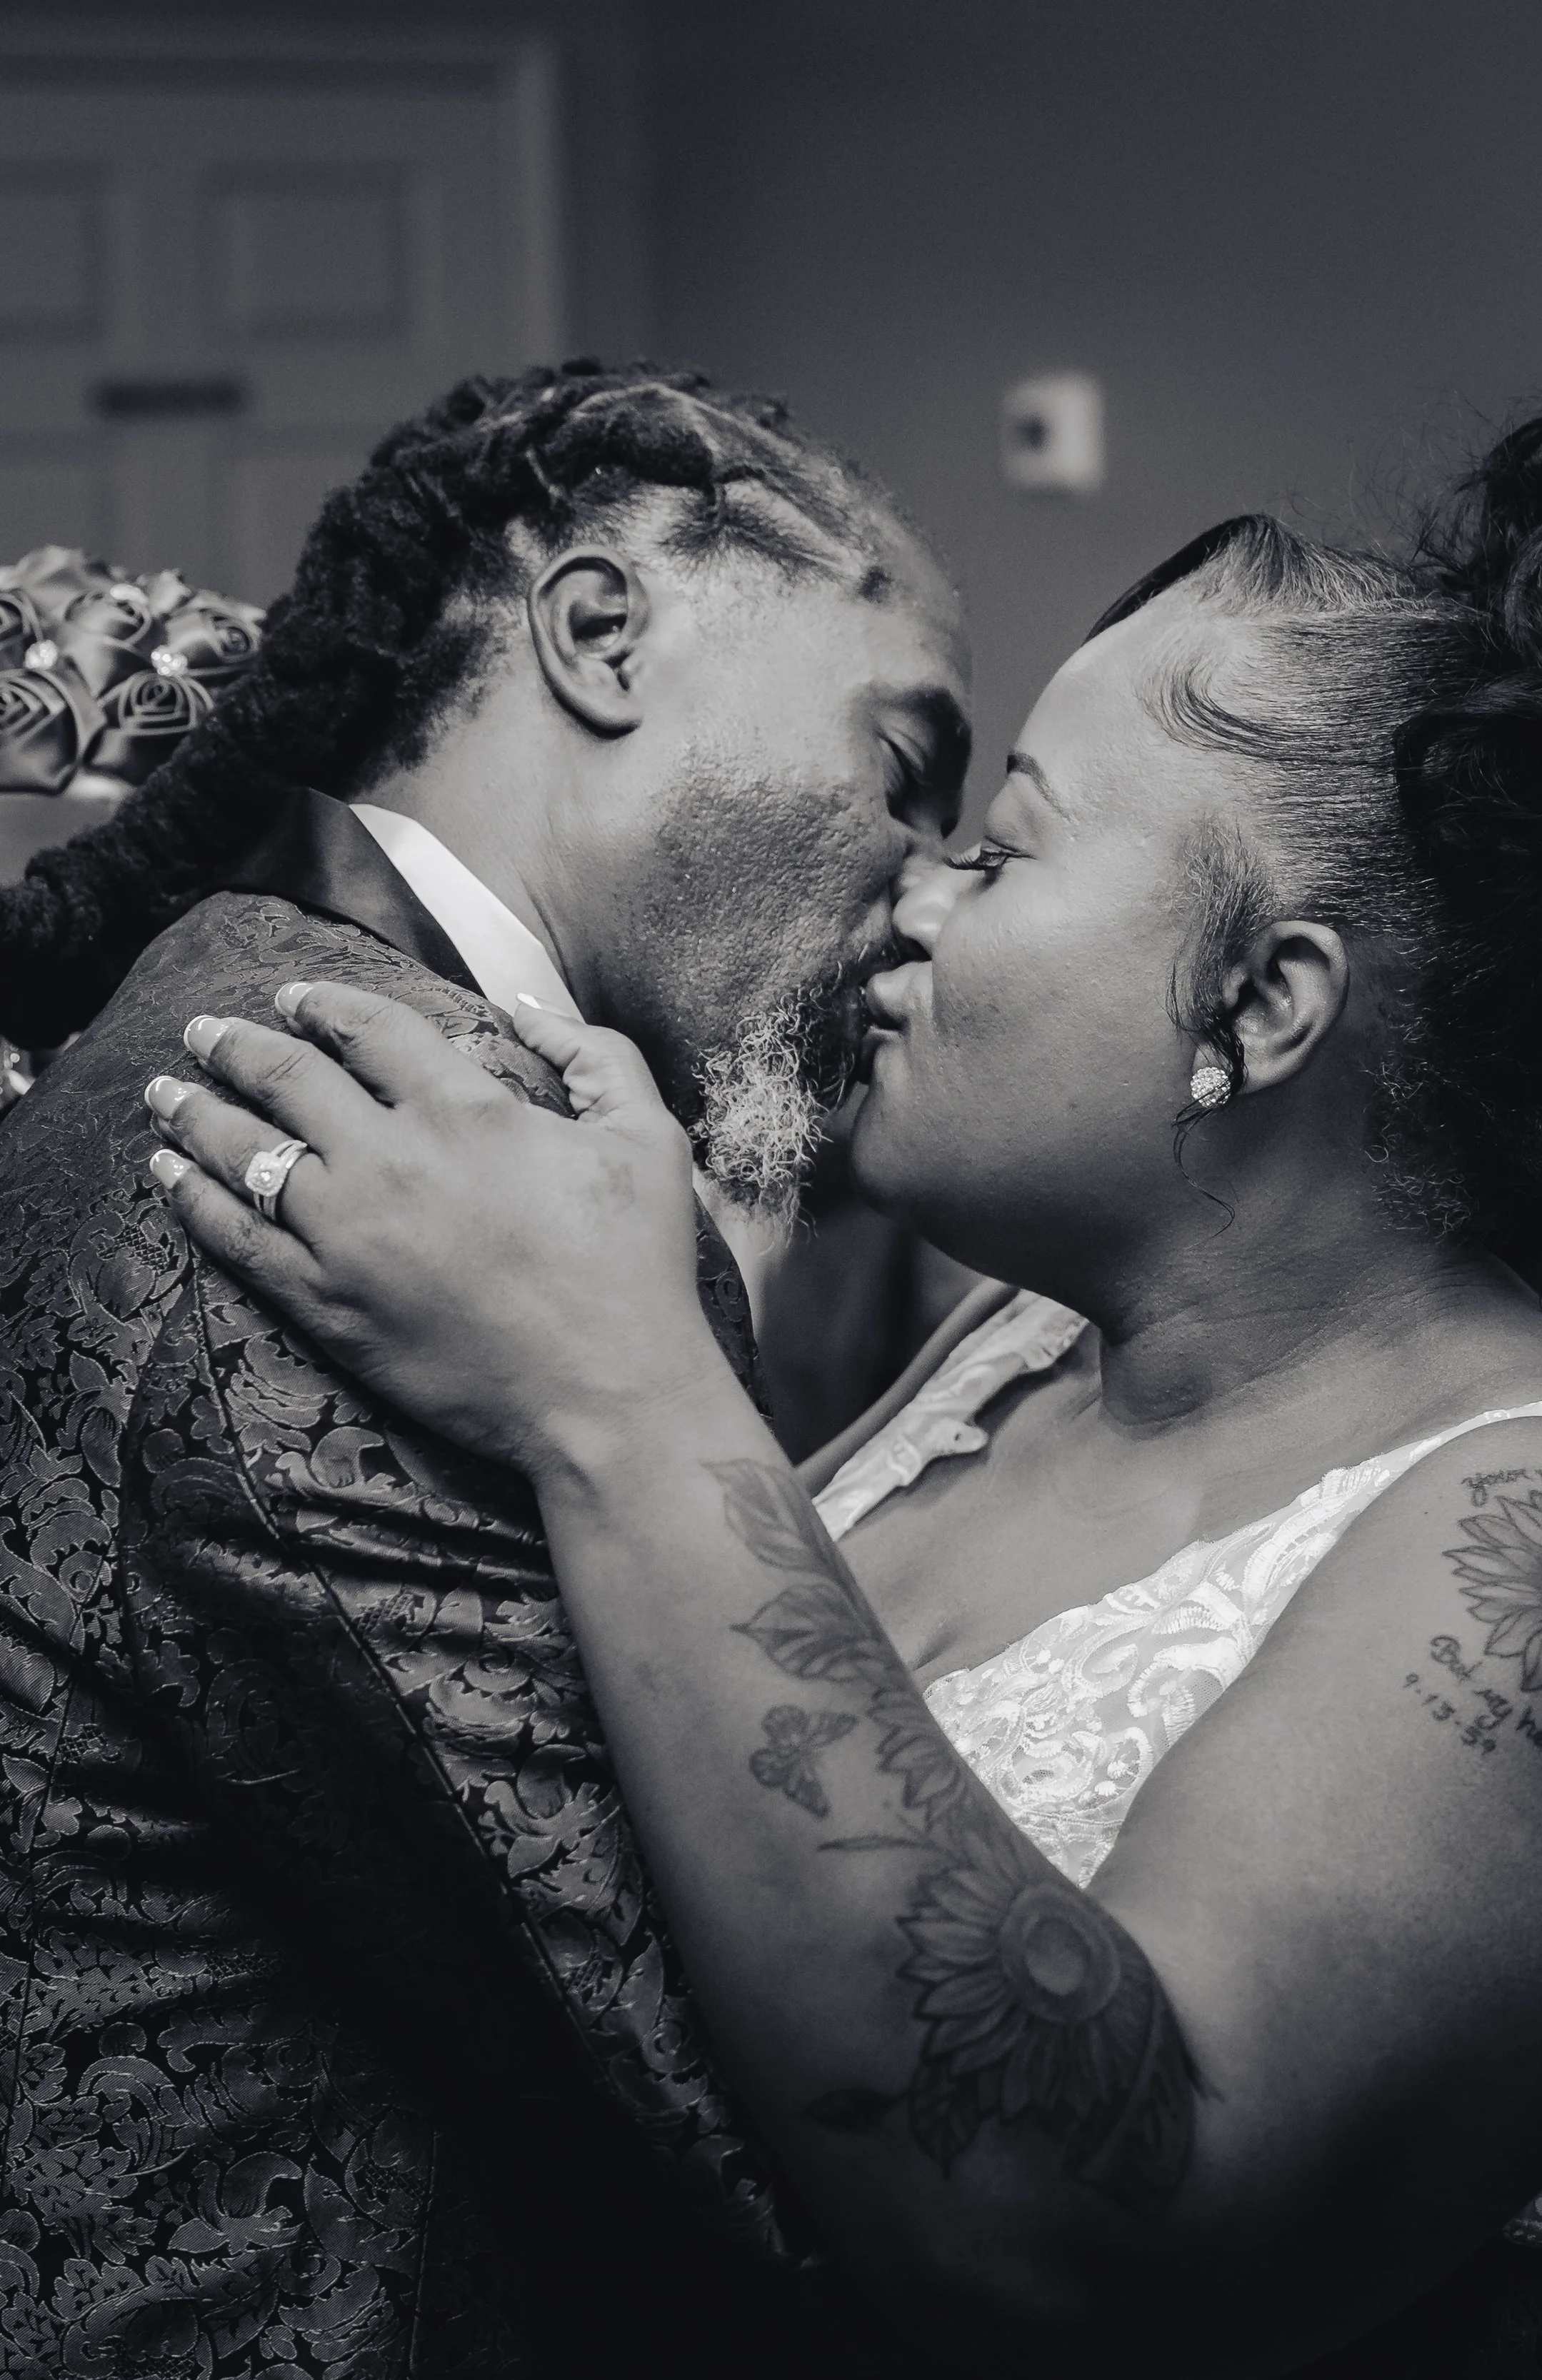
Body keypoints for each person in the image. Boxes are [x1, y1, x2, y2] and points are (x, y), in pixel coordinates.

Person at [144, 357, 1542, 2379]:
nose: (904, 891)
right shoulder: (1006, 1364)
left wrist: (621, 1394)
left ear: (1258, 1009)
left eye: (999, 848)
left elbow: (1086, 2237)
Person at [0, 360, 967, 2376]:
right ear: (602, 633)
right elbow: (771, 2126)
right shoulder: (380, 1139)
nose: (924, 889)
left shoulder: (278, 1010)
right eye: (906, 767)